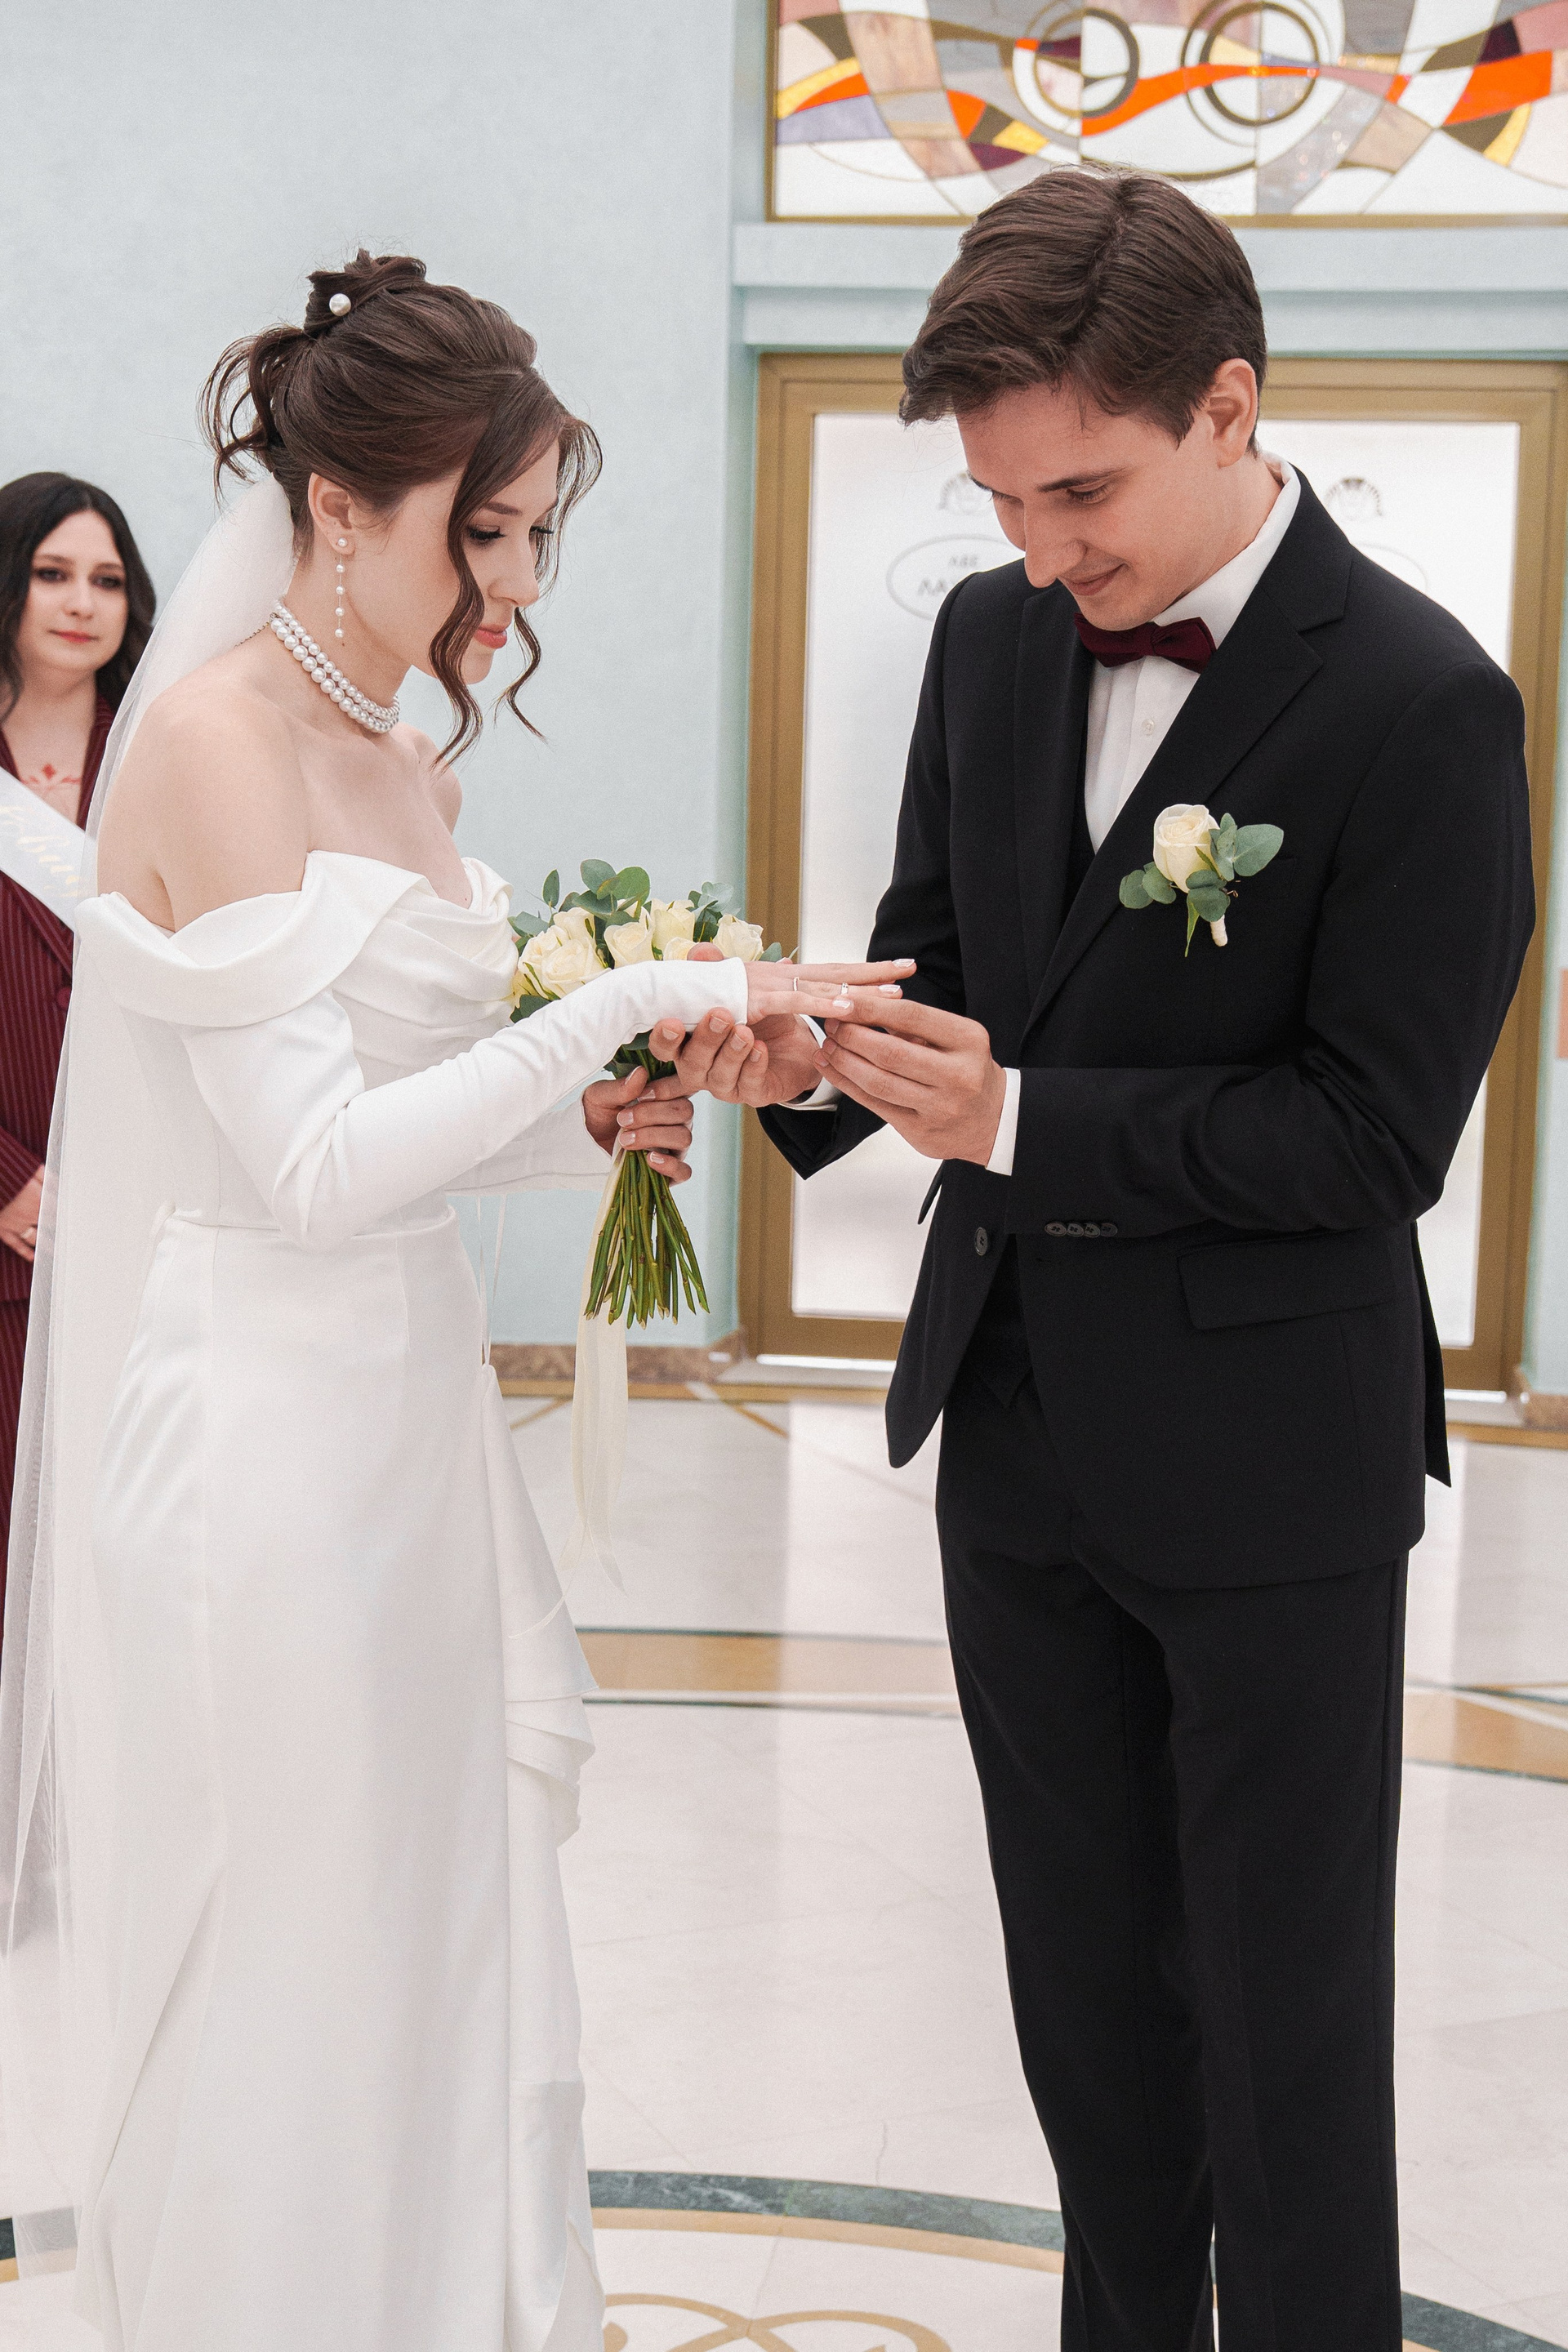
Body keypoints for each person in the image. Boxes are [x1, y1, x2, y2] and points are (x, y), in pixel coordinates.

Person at [0, 248, 903, 2350]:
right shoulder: (207, 745)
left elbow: (404, 1141)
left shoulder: (411, 758)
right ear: (337, 505)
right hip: (255, 1431)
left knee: (428, 1912)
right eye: (475, 532)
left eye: (533, 537)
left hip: (404, 1412)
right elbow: (306, 1172)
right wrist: (636, 996)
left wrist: (593, 1113)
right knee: (285, 1929)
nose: (509, 588)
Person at [670, 173, 1535, 2348]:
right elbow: (951, 970)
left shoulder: (1425, 700)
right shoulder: (987, 641)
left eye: (1081, 493)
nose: (1042, 552)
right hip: (1018, 1433)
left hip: (1275, 1468)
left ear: (1229, 407)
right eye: (1000, 500)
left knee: (1284, 2034)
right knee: (1085, 2026)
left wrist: (1031, 1119)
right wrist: (794, 1061)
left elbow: (1375, 1134)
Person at [0, 473, 153, 1592]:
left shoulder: (165, 761)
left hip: (143, 1207)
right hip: (11, 1217)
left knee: (119, 1540)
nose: (82, 602)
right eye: (53, 573)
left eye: (108, 579)